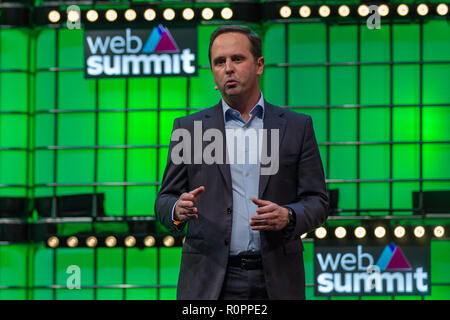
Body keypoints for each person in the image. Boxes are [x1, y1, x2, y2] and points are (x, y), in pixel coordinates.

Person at [155, 25, 328, 300]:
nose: (228, 68)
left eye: (237, 59)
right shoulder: (190, 129)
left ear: (259, 65)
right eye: (219, 62)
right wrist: (178, 208)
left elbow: (318, 201)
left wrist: (289, 216)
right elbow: (164, 200)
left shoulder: (297, 126)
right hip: (209, 279)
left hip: (277, 277)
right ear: (212, 72)